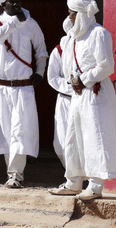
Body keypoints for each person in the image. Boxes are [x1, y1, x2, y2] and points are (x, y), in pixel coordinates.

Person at [49, 0, 116, 200]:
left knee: (94, 138)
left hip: (95, 94)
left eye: (72, 13)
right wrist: (73, 82)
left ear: (82, 14)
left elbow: (106, 66)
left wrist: (83, 79)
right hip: (77, 96)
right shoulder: (74, 38)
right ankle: (73, 182)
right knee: (73, 138)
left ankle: (95, 186)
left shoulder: (99, 33)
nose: (69, 16)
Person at [0, 0, 48, 187]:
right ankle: (10, 173)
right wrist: (14, 22)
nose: (16, 4)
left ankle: (16, 175)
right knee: (5, 130)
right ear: (3, 4)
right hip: (1, 87)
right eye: (11, 1)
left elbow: (41, 51)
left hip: (23, 87)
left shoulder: (31, 24)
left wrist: (40, 72)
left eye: (18, 1)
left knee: (20, 130)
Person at [47, 23, 73, 169]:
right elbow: (52, 77)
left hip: (84, 99)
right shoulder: (59, 51)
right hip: (65, 99)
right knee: (62, 141)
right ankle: (71, 174)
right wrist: (72, 88)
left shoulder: (88, 48)